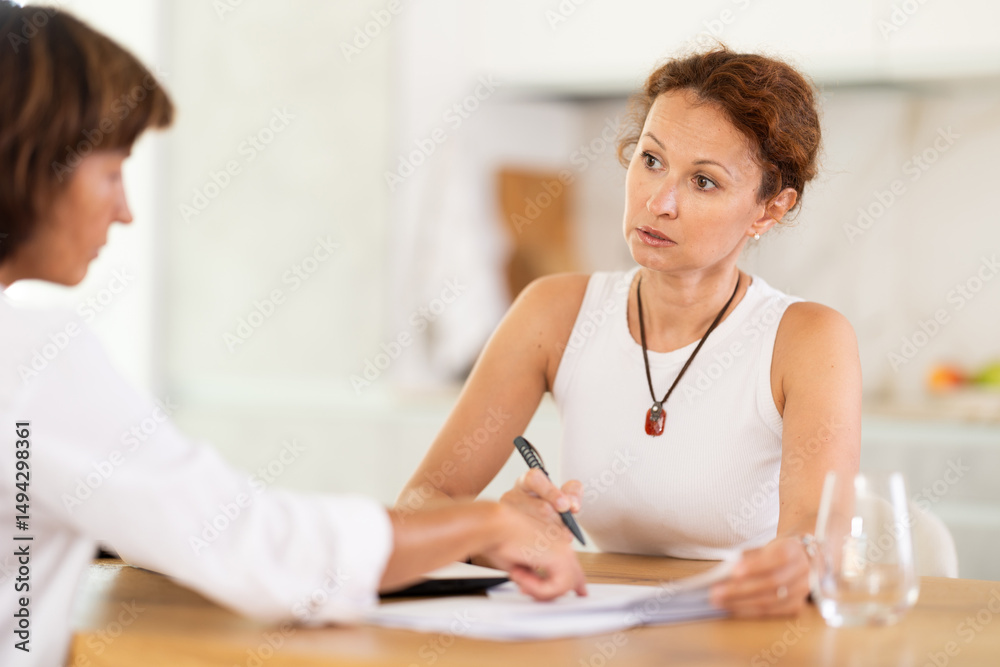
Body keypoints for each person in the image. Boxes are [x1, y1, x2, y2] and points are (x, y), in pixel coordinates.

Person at [0, 4, 585, 665]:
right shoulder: (31, 358)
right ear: (31, 163)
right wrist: (487, 522)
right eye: (111, 171)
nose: (126, 210)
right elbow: (257, 546)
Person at [399, 47, 861, 618]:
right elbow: (422, 502)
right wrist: (491, 529)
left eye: (704, 181)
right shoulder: (553, 312)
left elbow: (820, 533)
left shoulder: (808, 339)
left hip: (747, 631)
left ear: (769, 209)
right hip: (594, 623)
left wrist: (803, 559)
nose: (658, 201)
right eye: (651, 160)